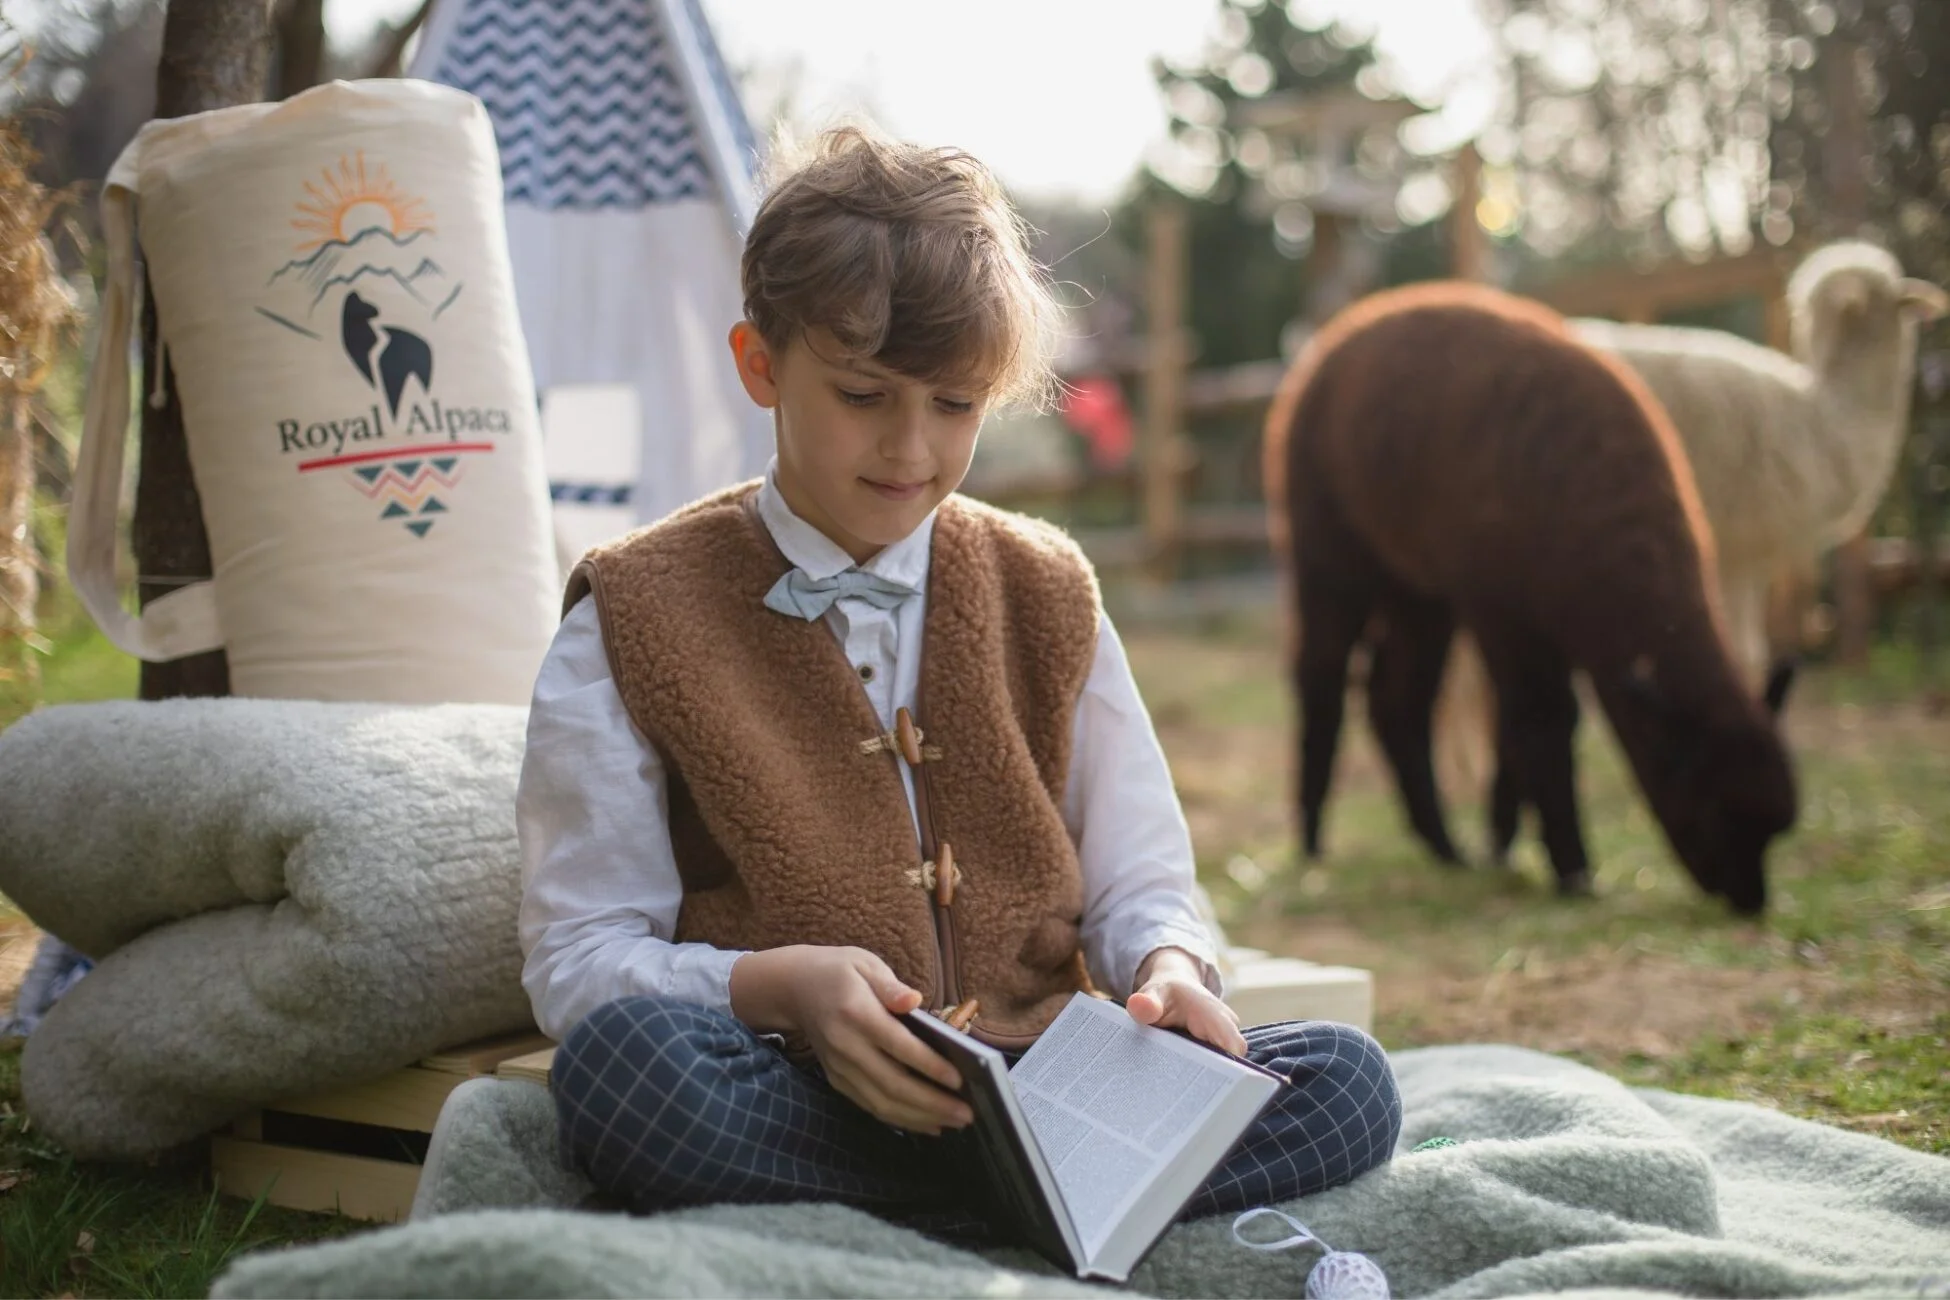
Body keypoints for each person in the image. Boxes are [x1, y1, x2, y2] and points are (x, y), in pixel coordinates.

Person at [516, 123, 1400, 1233]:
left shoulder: (1047, 586)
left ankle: (969, 1195)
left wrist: (1171, 968)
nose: (912, 449)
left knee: (1348, 1079)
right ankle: (1039, 1205)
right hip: (803, 1088)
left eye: (954, 405)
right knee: (624, 1072)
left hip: (1059, 1083)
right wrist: (778, 987)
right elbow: (581, 960)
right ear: (760, 364)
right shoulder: (635, 610)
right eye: (864, 395)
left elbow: (1140, 882)